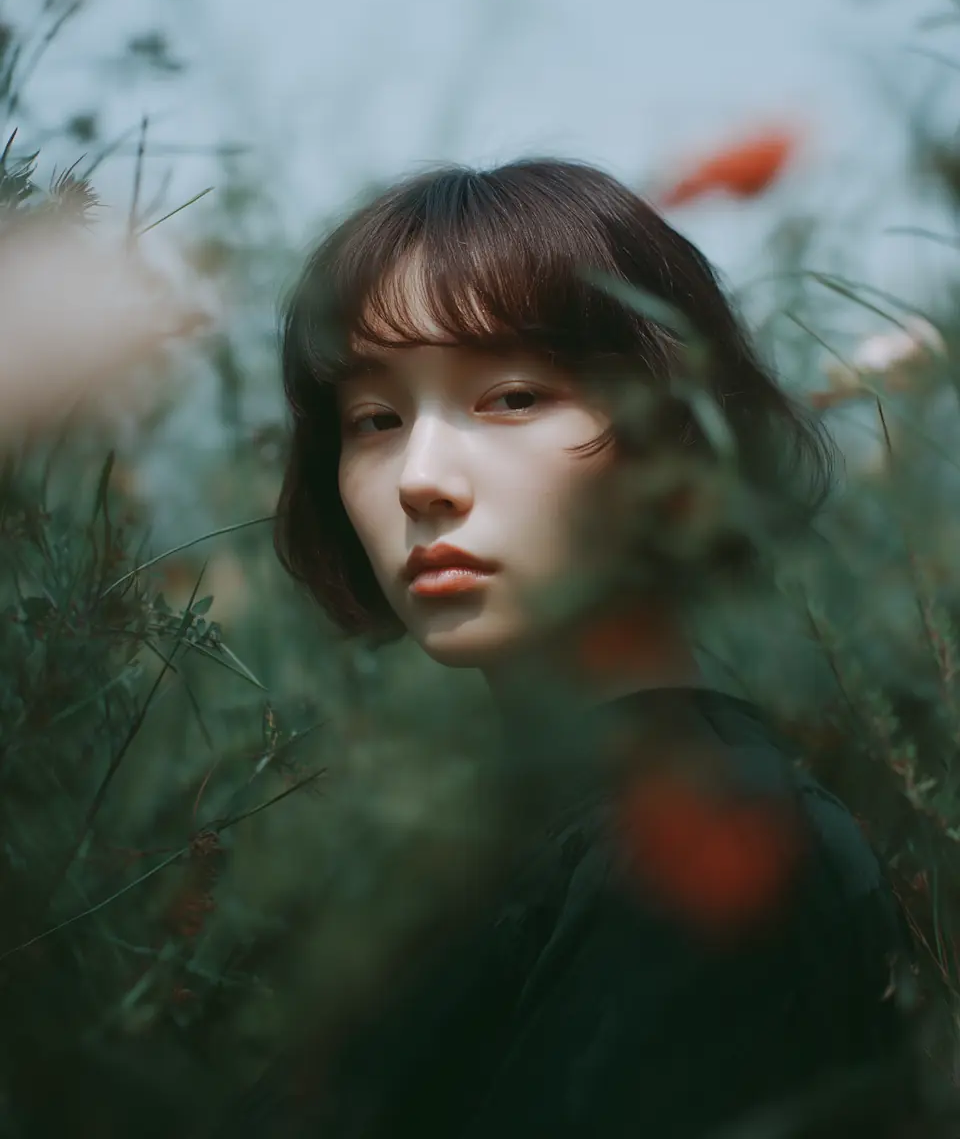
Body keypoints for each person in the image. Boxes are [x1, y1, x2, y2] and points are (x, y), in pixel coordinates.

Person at [213, 159, 919, 1138]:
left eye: (509, 397)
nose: (421, 478)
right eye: (373, 419)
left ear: (671, 429)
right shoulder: (476, 845)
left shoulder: (710, 860)